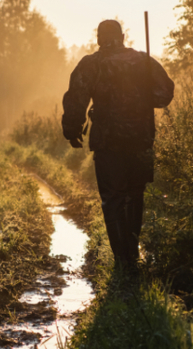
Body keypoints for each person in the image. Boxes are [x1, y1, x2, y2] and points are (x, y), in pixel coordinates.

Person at [62, 19, 175, 277]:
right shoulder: (143, 61)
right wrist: (143, 92)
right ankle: (133, 253)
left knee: (112, 198)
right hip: (141, 139)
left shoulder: (91, 64)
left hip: (108, 142)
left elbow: (76, 98)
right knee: (135, 195)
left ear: (99, 38)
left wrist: (72, 130)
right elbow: (164, 94)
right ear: (122, 36)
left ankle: (122, 261)